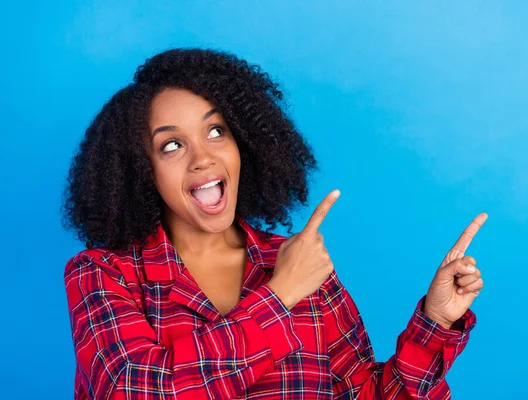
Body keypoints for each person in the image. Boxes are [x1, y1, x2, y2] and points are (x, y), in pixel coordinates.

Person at [61, 48, 486, 399]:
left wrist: (435, 324)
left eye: (216, 131)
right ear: (142, 170)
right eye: (172, 145)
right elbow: (133, 390)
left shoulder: (301, 263)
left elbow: (365, 394)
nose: (203, 157)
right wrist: (279, 296)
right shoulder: (103, 274)